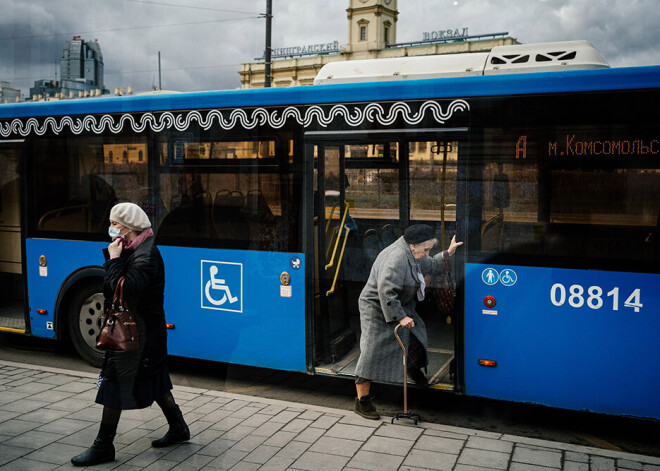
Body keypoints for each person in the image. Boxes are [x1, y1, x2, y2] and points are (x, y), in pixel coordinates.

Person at [71, 203, 189, 466]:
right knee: (156, 379)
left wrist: (113, 260)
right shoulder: (135, 249)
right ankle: (179, 427)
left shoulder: (145, 255)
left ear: (129, 229)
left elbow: (123, 288)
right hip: (144, 331)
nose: (111, 229)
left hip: (138, 333)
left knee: (114, 383)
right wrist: (117, 257)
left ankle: (103, 446)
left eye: (115, 225)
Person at [353, 224, 463, 420]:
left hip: (398, 304)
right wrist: (401, 317)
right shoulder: (396, 258)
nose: (428, 253)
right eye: (426, 249)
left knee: (415, 338)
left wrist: (448, 252)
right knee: (371, 353)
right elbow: (386, 291)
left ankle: (412, 368)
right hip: (377, 309)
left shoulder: (412, 252)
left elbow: (429, 264)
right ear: (413, 245)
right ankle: (362, 401)